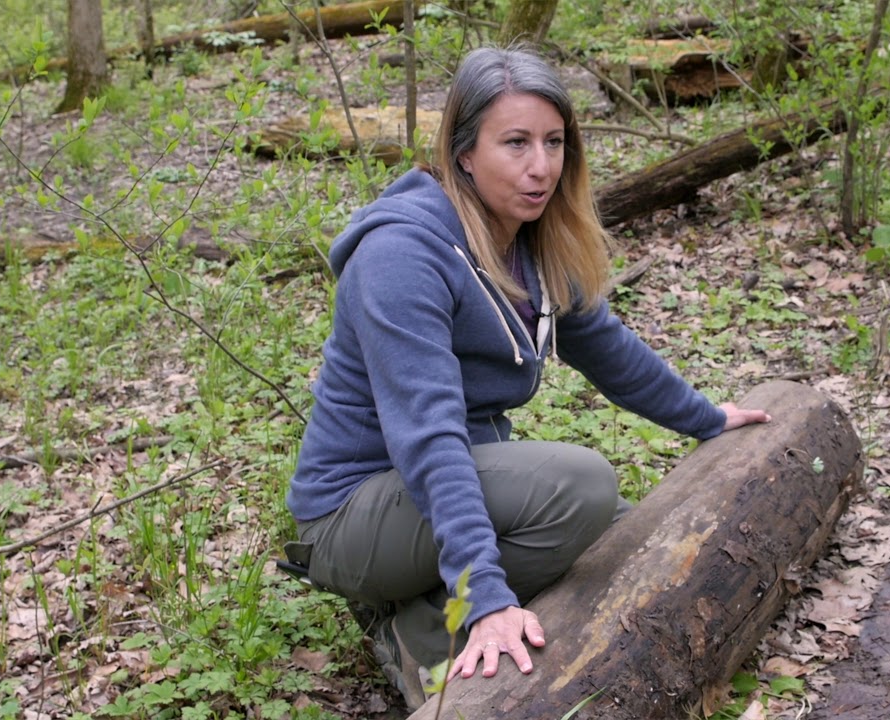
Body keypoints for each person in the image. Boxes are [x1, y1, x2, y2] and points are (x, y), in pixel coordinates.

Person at [283, 45, 771, 710]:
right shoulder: (402, 255)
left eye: (553, 141)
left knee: (622, 534)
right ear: (463, 151)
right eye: (514, 143)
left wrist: (706, 417)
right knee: (580, 490)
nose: (540, 167)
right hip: (352, 515)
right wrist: (482, 591)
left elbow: (607, 349)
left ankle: (449, 602)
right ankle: (423, 631)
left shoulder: (529, 240)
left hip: (440, 487)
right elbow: (429, 438)